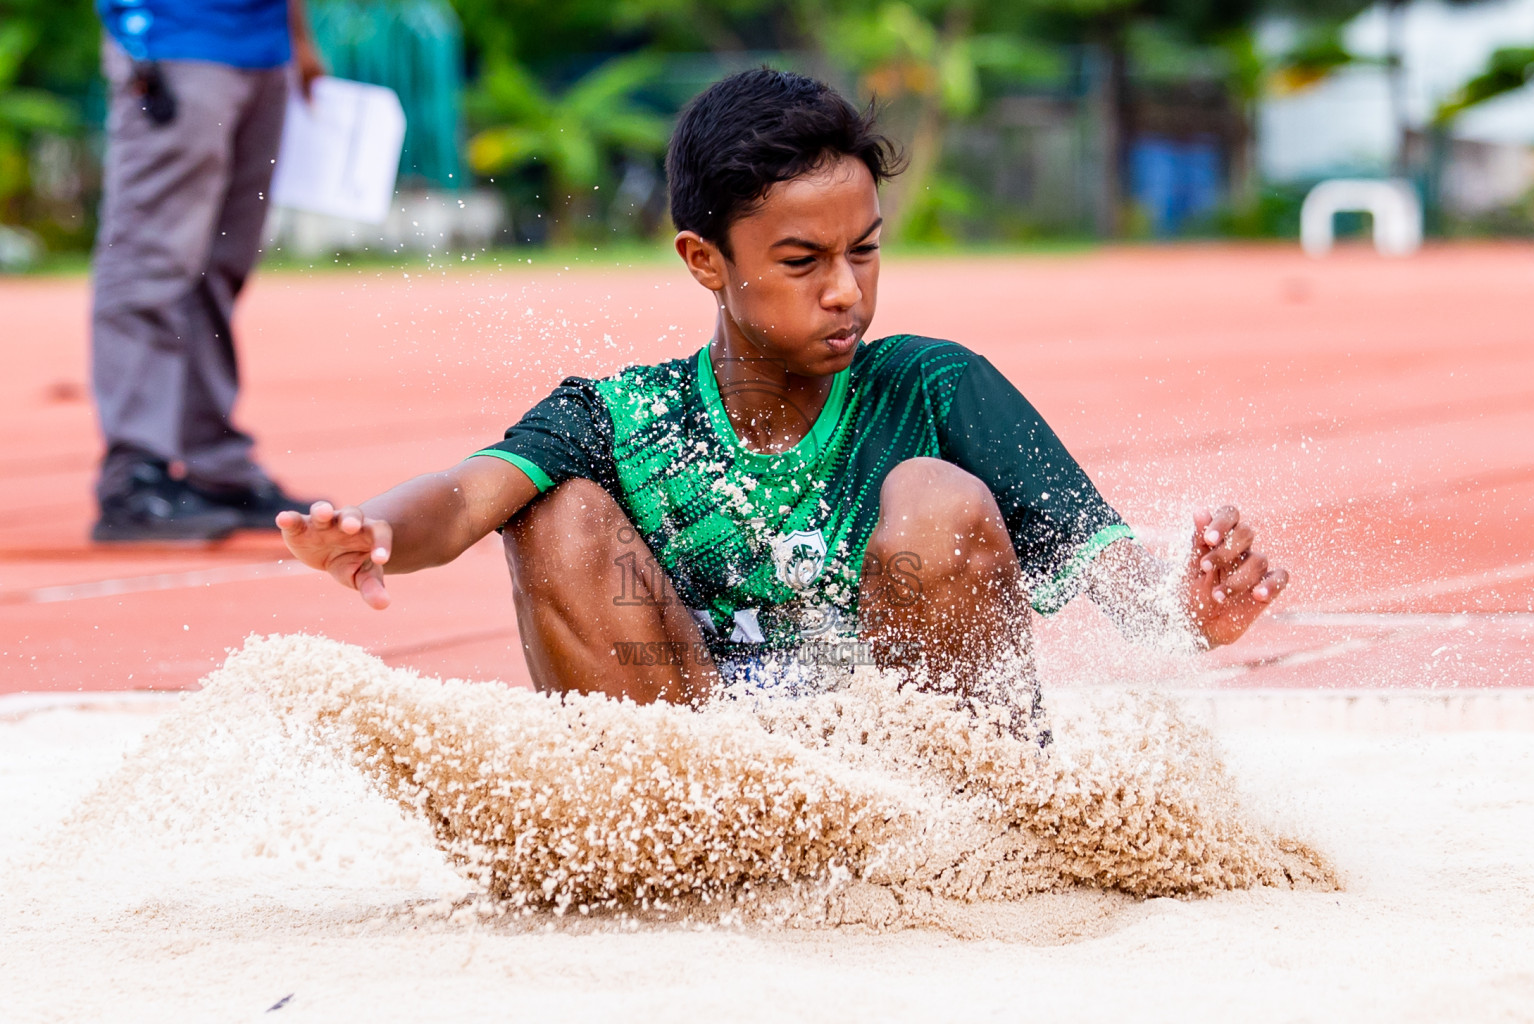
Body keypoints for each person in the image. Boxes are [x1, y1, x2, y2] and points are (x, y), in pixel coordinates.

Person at [279, 70, 1289, 719]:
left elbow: (1115, 574)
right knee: (557, 510)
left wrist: (1193, 609)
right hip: (729, 789)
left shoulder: (936, 387)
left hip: (926, 792)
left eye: (865, 251)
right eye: (803, 260)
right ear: (704, 261)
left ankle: (979, 830)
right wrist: (370, 529)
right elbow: (464, 499)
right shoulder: (623, 418)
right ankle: (661, 837)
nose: (846, 290)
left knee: (934, 499)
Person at [90, 0, 325, 542]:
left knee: (220, 267)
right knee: (150, 264)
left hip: (265, 50)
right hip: (174, 41)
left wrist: (300, 40)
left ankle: (215, 466)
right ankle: (134, 476)